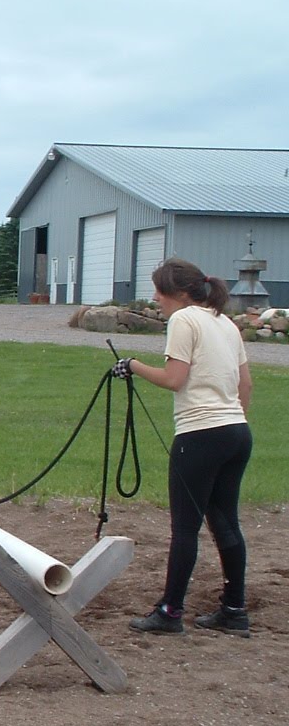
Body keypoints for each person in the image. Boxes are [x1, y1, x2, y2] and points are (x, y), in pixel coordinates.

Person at [112, 257, 253, 637]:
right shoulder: (225, 323)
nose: (156, 298)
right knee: (226, 522)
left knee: (185, 528)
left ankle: (170, 611)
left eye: (160, 291)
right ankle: (234, 609)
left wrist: (132, 365)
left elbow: (175, 379)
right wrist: (232, 420)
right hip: (237, 432)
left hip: (200, 434)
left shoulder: (183, 320)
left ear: (179, 293)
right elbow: (245, 385)